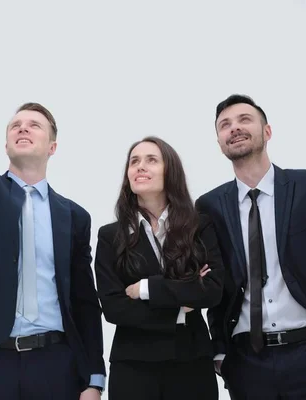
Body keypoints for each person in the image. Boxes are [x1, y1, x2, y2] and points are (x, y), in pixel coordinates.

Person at [0, 1, 105, 399]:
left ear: (53, 145)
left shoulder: (73, 216)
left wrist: (94, 377)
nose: (23, 129)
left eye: (34, 125)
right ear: (6, 141)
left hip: (55, 363)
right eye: (15, 125)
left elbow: (83, 299)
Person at [196, 94, 306, 399]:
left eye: (244, 120)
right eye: (225, 125)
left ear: (267, 132)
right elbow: (215, 281)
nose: (234, 128)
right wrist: (220, 350)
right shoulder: (209, 206)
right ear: (220, 141)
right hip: (247, 362)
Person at [94, 137, 223, 400]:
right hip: (133, 367)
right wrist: (181, 306)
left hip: (192, 363)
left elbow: (211, 291)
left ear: (170, 171)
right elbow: (113, 307)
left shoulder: (200, 226)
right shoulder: (110, 236)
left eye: (151, 160)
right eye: (134, 161)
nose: (140, 167)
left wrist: (146, 288)